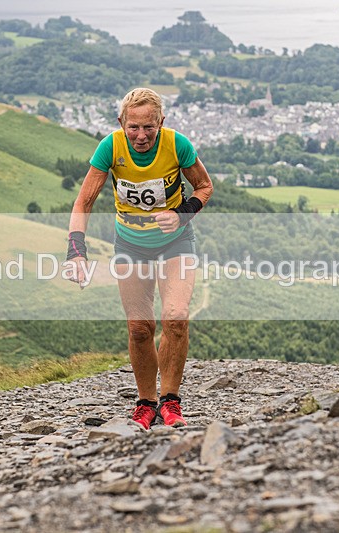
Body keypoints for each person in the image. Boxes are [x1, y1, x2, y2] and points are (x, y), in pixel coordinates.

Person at [65, 87, 213, 429]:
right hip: (130, 245)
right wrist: (76, 251)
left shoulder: (177, 145)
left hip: (175, 243)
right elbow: (83, 203)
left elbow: (204, 187)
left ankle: (171, 402)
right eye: (133, 127)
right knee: (139, 329)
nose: (141, 135)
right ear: (121, 123)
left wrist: (182, 213)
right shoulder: (110, 148)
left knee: (176, 317)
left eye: (149, 127)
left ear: (161, 122)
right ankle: (146, 403)